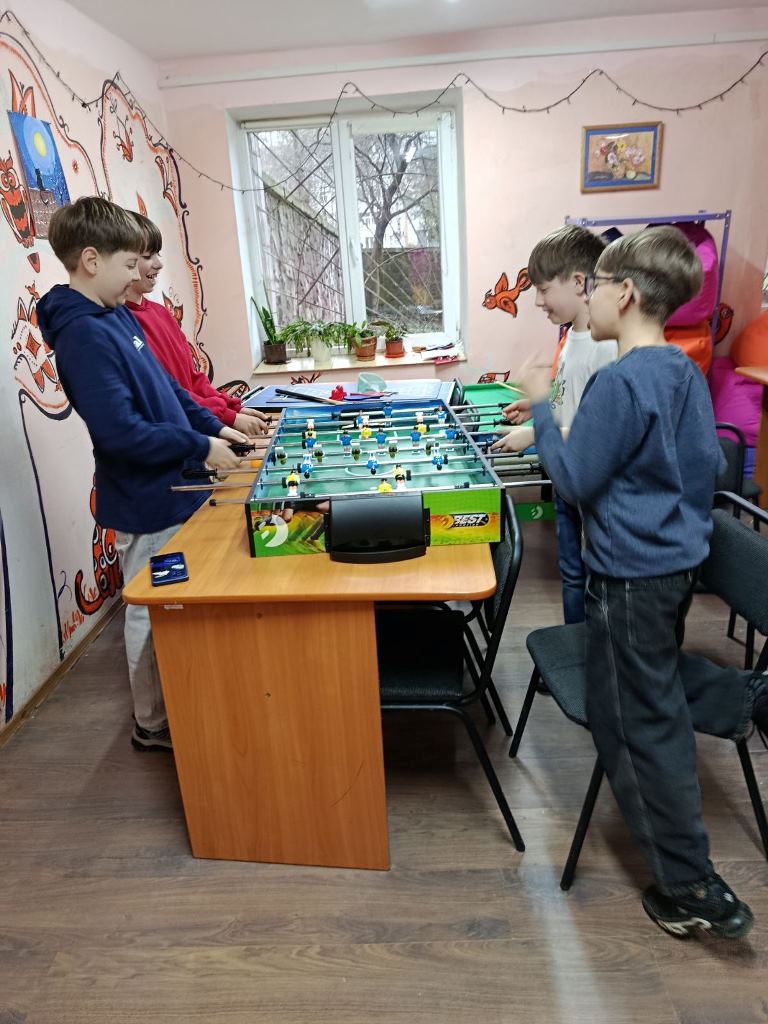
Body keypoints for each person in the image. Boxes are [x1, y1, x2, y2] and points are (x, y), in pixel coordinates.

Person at [521, 225, 767, 939]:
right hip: (671, 568)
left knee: (639, 727)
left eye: (596, 284)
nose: (589, 296)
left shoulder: (619, 381)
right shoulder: (682, 371)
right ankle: (742, 698)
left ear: (624, 293)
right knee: (629, 686)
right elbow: (708, 467)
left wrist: (539, 405)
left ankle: (688, 884)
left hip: (629, 577)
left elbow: (572, 482)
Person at [38, 197, 251, 751]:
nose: (139, 274)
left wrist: (215, 425)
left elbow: (168, 389)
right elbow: (121, 434)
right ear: (91, 260)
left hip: (173, 485)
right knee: (155, 609)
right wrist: (200, 444)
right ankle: (151, 722)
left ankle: (183, 700)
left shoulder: (112, 316)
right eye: (130, 264)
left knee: (177, 607)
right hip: (145, 498)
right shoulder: (83, 336)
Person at [493, 226, 617, 623]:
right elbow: (571, 401)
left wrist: (534, 432)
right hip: (565, 480)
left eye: (544, 289)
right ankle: (573, 642)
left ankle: (589, 648)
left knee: (593, 579)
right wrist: (537, 407)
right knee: (571, 574)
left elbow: (599, 433)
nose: (537, 301)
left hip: (591, 487)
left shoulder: (605, 346)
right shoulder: (572, 337)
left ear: (579, 283)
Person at [125, 211, 270, 438]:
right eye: (147, 256)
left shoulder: (161, 313)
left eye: (158, 254)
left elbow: (193, 379)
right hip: (170, 438)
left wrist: (234, 408)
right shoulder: (122, 324)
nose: (159, 264)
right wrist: (227, 417)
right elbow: (168, 394)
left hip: (194, 432)